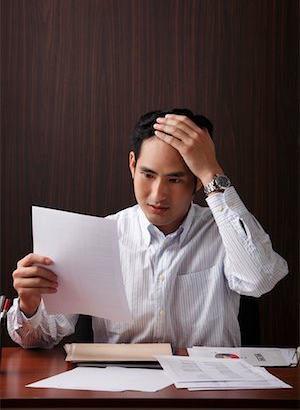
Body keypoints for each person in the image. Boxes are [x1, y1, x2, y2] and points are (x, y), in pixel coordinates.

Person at [7, 109, 288, 349]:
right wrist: (29, 304)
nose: (157, 194)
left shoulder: (226, 235)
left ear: (197, 181)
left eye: (175, 180)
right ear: (132, 165)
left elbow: (260, 279)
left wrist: (211, 170)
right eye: (148, 174)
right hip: (121, 398)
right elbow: (41, 338)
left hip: (208, 397)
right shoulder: (97, 236)